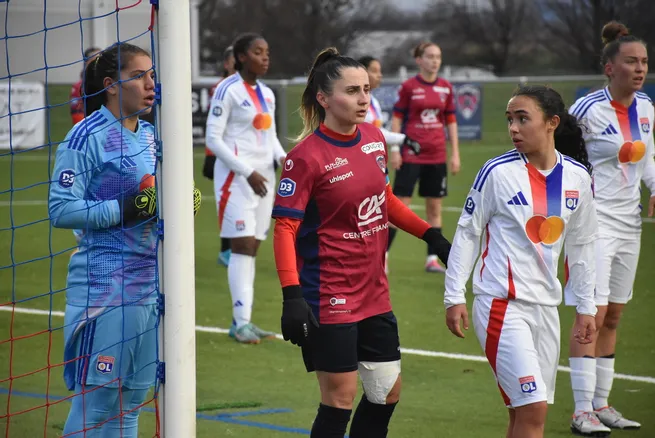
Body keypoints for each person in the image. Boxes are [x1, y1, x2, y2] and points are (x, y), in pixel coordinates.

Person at [272, 47, 451, 438]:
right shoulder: (304, 158)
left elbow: (384, 199)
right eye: (352, 91)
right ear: (323, 98)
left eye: (366, 89)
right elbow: (284, 229)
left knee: (386, 392)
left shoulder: (372, 138)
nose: (364, 99)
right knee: (339, 400)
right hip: (328, 294)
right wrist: (292, 295)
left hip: (374, 291)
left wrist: (431, 235)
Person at [49, 42, 201, 437]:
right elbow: (60, 210)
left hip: (150, 292)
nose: (151, 84)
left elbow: (158, 201)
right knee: (96, 406)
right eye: (140, 76)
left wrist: (182, 205)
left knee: (131, 404)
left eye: (152, 75)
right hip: (105, 293)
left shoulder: (152, 136)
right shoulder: (86, 137)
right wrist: (128, 207)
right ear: (111, 85)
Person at [444, 85, 599, 438]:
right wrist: (453, 296)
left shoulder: (577, 177)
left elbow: (584, 245)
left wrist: (586, 307)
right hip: (501, 306)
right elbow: (468, 233)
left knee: (523, 414)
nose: (513, 127)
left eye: (523, 118)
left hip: (546, 310)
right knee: (533, 410)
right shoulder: (497, 172)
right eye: (510, 119)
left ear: (551, 123)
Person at [565, 21, 655, 436]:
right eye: (631, 62)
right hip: (594, 223)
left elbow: (647, 162)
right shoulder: (587, 110)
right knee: (592, 313)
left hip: (630, 222)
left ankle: (602, 404)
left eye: (644, 62)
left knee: (614, 314)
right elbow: (560, 157)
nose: (640, 69)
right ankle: (581, 409)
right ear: (609, 67)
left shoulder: (648, 108)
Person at [205, 33, 286, 344]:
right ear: (240, 57)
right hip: (237, 179)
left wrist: (284, 159)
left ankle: (244, 321)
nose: (265, 57)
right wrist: (246, 170)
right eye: (257, 52)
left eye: (267, 52)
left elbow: (271, 137)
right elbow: (213, 139)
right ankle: (241, 323)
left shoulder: (267, 93)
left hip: (265, 179)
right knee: (241, 246)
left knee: (252, 247)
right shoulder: (226, 89)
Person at [387, 41, 461, 273]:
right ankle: (382, 255)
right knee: (399, 207)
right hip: (411, 154)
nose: (435, 61)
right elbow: (397, 118)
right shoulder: (408, 87)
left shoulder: (446, 88)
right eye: (429, 56)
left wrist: (455, 153)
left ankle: (432, 259)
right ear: (419, 60)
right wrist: (396, 149)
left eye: (438, 56)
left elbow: (450, 121)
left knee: (434, 210)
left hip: (437, 155)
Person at [203, 45, 237, 267]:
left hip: (243, 156)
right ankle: (227, 250)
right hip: (225, 156)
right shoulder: (221, 88)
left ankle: (234, 247)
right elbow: (214, 127)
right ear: (227, 63)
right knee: (229, 202)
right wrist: (210, 156)